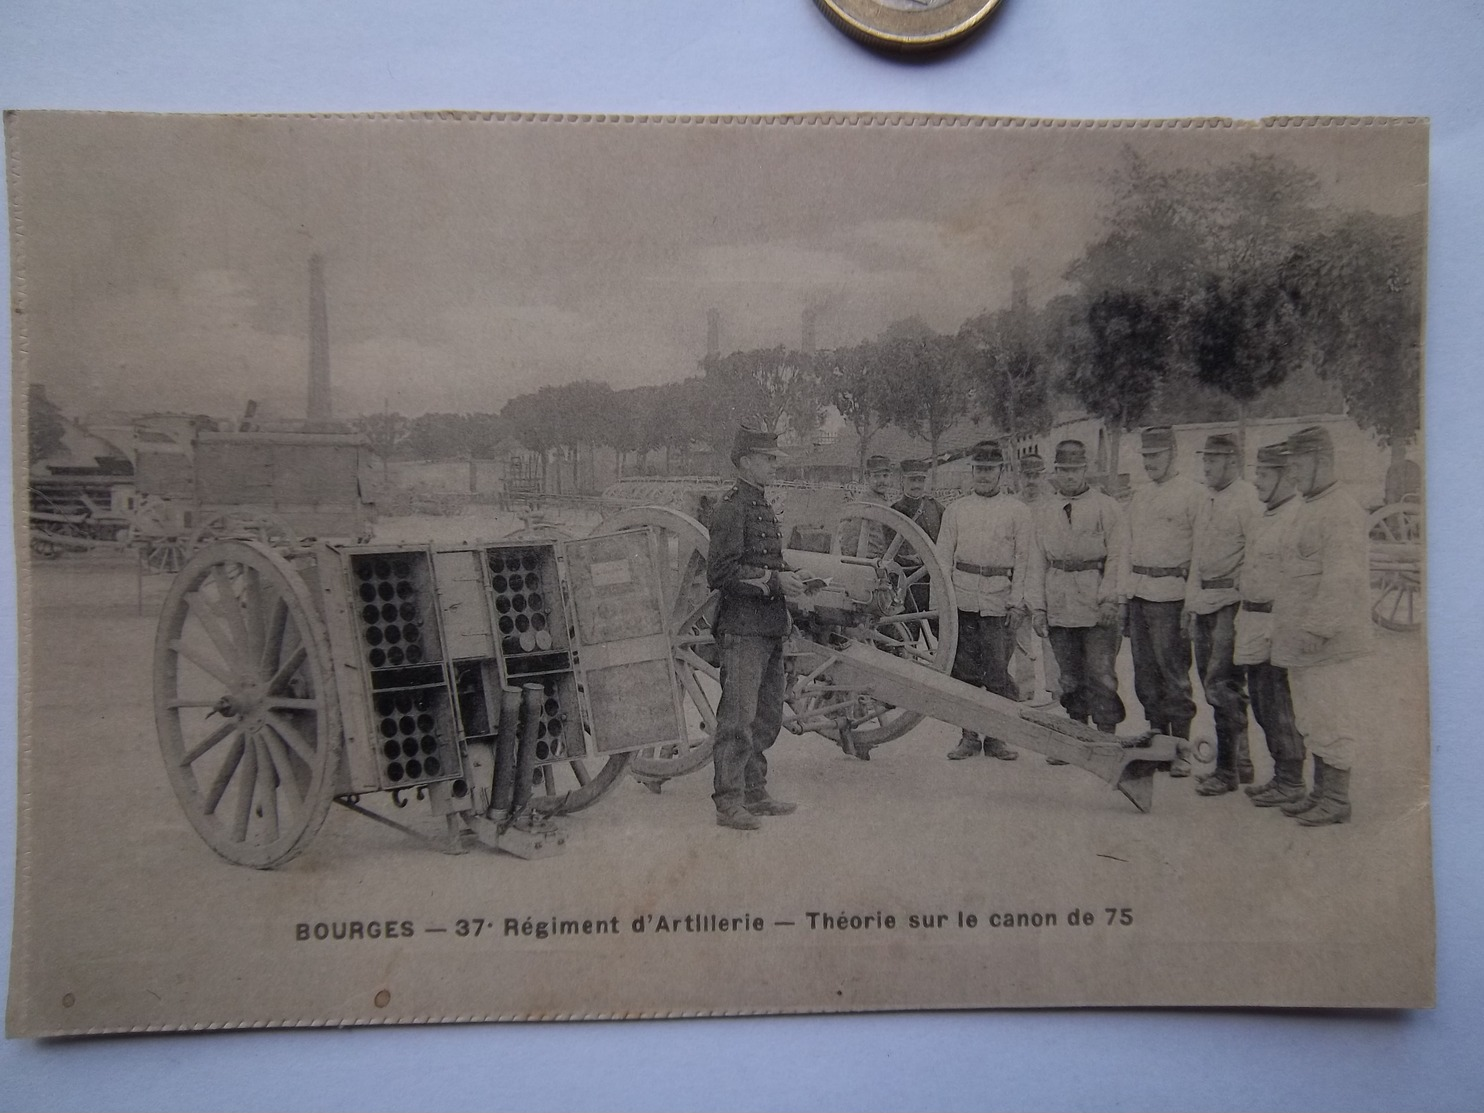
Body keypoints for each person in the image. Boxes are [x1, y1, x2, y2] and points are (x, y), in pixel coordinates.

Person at [706, 425, 809, 831]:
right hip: (743, 628)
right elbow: (721, 572)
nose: (772, 465)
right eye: (767, 459)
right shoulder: (730, 508)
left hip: (769, 626)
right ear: (746, 461)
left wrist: (791, 574)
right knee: (737, 718)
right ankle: (729, 802)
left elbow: (768, 558)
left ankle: (755, 792)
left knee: (766, 717)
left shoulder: (762, 505)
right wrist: (772, 580)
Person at [1270, 425, 1374, 826]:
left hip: (1327, 643)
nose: (1291, 472)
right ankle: (1319, 792)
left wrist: (1318, 628)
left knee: (1333, 717)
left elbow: (1342, 579)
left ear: (1322, 461)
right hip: (1303, 642)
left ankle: (1337, 798)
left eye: (1298, 463)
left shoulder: (1342, 510)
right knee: (1311, 718)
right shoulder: (1307, 507)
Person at [935, 442, 1033, 761]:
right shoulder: (957, 510)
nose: (983, 476)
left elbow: (1024, 560)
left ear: (1001, 472)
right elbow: (943, 557)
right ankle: (968, 736)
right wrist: (945, 603)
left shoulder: (1017, 511)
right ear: (972, 471)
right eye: (978, 470)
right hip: (962, 601)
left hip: (998, 603)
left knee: (997, 673)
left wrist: (1018, 602)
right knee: (964, 672)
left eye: (990, 470)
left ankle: (996, 738)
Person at [1027, 440, 1127, 735]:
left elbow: (1119, 555)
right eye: (1063, 471)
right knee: (1069, 676)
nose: (1069, 476)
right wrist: (1038, 609)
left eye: (1075, 470)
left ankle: (1105, 737)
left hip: (1095, 602)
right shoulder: (1044, 511)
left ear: (1085, 470)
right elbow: (1036, 562)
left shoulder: (1106, 507)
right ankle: (1077, 733)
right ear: (1055, 472)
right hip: (1059, 602)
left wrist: (1111, 599)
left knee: (1101, 673)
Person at [1184, 433, 1263, 796]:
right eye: (1205, 460)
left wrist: (1240, 599)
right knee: (1211, 683)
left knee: (1223, 685)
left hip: (1230, 605)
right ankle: (1241, 763)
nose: (1207, 467)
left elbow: (1257, 556)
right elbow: (1197, 557)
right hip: (1205, 604)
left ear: (1233, 462)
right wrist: (1191, 604)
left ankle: (1228, 771)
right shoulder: (1207, 499)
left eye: (1213, 460)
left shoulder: (1248, 499)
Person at [1123, 426, 1204, 773]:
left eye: (1155, 456)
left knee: (1174, 675)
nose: (1149, 463)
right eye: (1145, 457)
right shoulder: (1139, 497)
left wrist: (1192, 603)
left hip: (1171, 597)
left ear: (1173, 453)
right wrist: (1127, 596)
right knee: (1145, 675)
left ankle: (1182, 750)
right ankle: (1158, 743)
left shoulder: (1192, 495)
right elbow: (1127, 548)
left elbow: (1199, 554)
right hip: (1141, 594)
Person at [1233, 442, 1307, 807]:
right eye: (1257, 473)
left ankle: (1292, 780)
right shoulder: (1265, 515)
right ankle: (1281, 775)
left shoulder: (1297, 518)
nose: (1257, 481)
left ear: (1285, 477)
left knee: (1279, 704)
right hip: (1253, 621)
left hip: (1276, 623)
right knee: (1262, 703)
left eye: (1264, 474)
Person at [1011, 451, 1059, 707]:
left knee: (1048, 633)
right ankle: (1025, 686)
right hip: (1019, 575)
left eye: (1036, 476)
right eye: (1027, 476)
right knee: (1020, 633)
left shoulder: (1052, 505)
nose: (1031, 481)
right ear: (1019, 477)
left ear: (1044, 477)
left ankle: (1055, 685)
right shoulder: (1013, 505)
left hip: (1045, 576)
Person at [891, 457, 945, 624]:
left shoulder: (935, 507)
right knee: (908, 633)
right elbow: (890, 551)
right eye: (912, 480)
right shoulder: (894, 511)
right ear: (902, 480)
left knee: (941, 630)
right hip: (908, 585)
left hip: (934, 584)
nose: (916, 486)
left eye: (920, 480)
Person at [839, 452, 894, 558]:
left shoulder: (885, 502)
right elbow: (849, 542)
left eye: (885, 476)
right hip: (868, 563)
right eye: (877, 476)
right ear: (867, 477)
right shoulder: (862, 504)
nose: (882, 480)